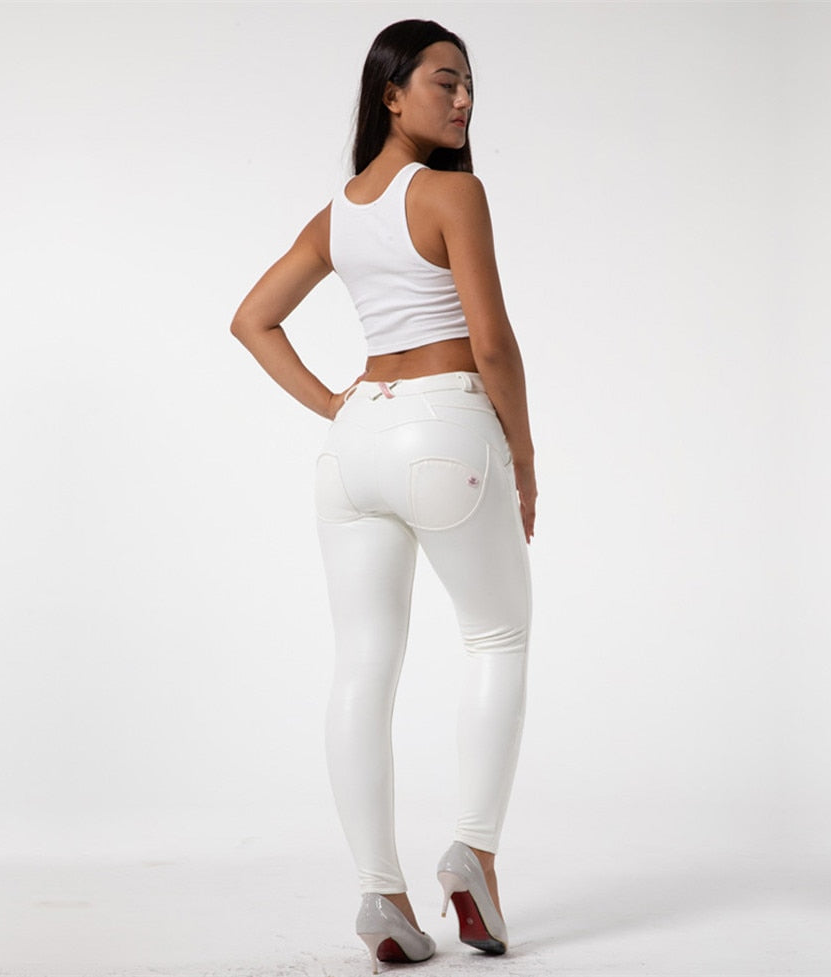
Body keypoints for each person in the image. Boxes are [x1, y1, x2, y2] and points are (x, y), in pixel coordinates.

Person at [230, 19, 535, 973]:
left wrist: (337, 404)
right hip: (445, 426)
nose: (464, 99)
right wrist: (526, 457)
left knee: (362, 665)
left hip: (356, 444)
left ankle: (381, 893)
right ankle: (473, 851)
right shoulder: (452, 192)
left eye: (469, 84)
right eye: (445, 81)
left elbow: (252, 319)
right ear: (390, 94)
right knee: (496, 638)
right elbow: (492, 343)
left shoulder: (336, 217)